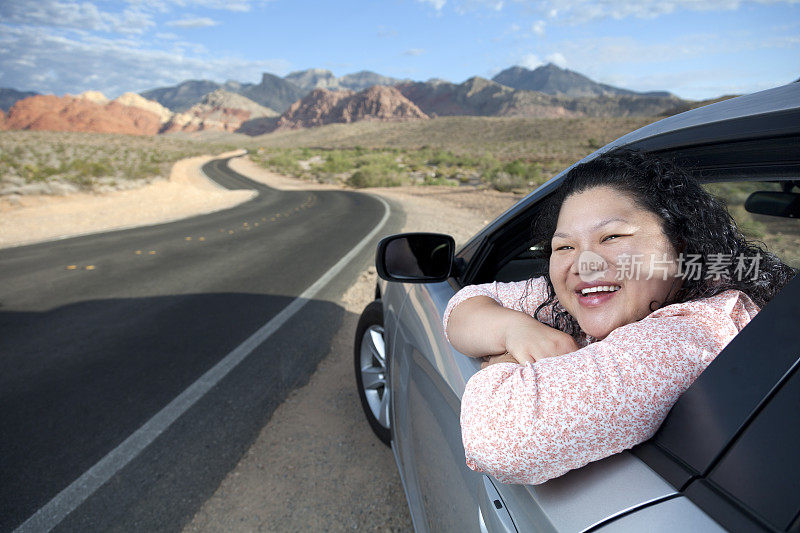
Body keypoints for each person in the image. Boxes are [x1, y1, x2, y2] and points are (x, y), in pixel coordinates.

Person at [444, 149, 794, 485]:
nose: (584, 264)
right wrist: (513, 329)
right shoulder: (602, 290)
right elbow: (468, 301)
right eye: (564, 247)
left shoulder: (695, 332)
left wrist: (503, 357)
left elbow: (500, 438)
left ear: (681, 247)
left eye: (611, 237)